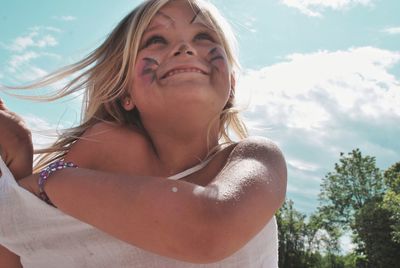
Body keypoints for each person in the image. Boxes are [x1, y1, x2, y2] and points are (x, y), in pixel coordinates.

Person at [0, 0, 287, 267]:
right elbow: (22, 241)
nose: (185, 47)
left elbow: (206, 229)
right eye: (156, 40)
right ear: (125, 93)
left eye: (204, 37)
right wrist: (16, 163)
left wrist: (50, 178)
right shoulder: (105, 149)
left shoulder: (258, 158)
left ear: (232, 86)